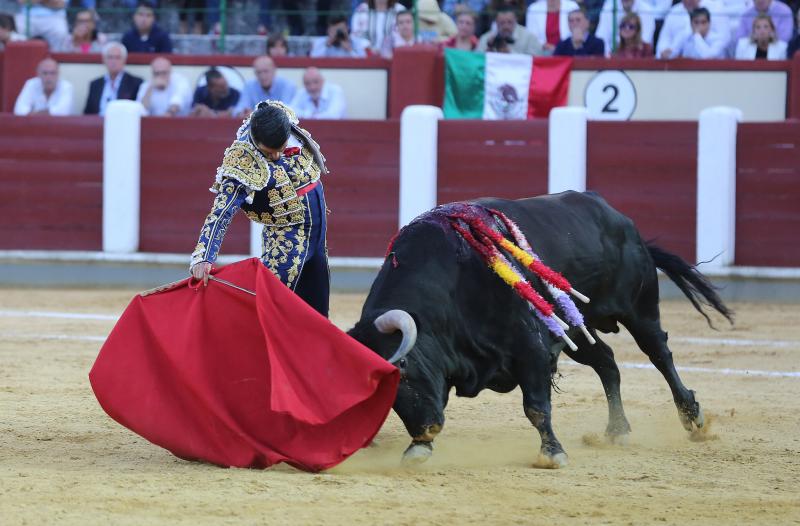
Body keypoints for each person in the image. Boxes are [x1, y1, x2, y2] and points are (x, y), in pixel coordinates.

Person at [190, 101, 331, 317]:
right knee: (273, 309)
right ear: (256, 141)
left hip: (318, 231)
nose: (275, 156)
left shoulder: (282, 119)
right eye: (268, 152)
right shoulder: (242, 159)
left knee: (318, 308)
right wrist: (204, 256)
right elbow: (221, 212)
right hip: (287, 237)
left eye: (280, 149)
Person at [84, 42, 143, 115]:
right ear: (104, 60)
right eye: (110, 57)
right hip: (97, 121)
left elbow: (138, 111)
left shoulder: (135, 83)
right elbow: (87, 114)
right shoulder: (95, 85)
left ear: (124, 60)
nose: (113, 61)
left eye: (117, 57)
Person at [657, 0, 729, 59]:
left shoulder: (718, 39)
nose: (699, 26)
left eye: (703, 22)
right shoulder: (684, 34)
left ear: (709, 23)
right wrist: (665, 53)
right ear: (691, 23)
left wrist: (697, 35)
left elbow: (708, 56)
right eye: (696, 22)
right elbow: (669, 50)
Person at [478, 5, 543, 54]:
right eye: (502, 23)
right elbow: (477, 59)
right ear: (496, 22)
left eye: (510, 22)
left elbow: (536, 60)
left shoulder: (529, 37)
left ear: (516, 20)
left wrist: (510, 53)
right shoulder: (486, 38)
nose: (506, 26)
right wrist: (488, 52)